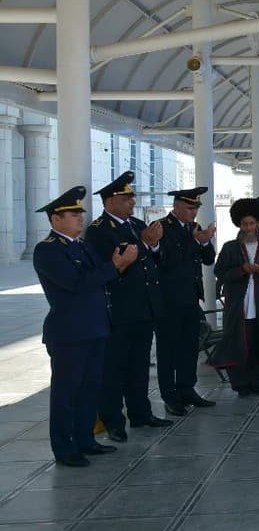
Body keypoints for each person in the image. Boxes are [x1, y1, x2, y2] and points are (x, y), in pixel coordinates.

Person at [33, 186, 138, 466]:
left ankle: (84, 439)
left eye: (81, 214)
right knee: (67, 392)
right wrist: (115, 266)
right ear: (56, 220)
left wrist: (117, 267)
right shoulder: (48, 250)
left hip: (95, 327)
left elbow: (100, 279)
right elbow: (77, 283)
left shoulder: (82, 246)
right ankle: (64, 448)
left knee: (90, 387)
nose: (81, 219)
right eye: (73, 214)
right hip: (69, 333)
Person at [86, 172, 173, 443]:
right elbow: (112, 264)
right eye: (126, 199)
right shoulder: (99, 231)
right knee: (114, 368)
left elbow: (153, 259)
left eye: (132, 197)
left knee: (138, 365)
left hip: (144, 308)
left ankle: (141, 412)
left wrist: (154, 244)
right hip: (120, 310)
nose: (132, 202)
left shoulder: (136, 224)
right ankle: (113, 420)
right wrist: (145, 243)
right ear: (110, 201)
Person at [211, 198, 259, 396]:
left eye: (252, 223)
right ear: (239, 225)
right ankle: (240, 383)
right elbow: (220, 272)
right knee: (237, 343)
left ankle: (256, 381)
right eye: (245, 224)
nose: (249, 227)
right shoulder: (230, 248)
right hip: (237, 306)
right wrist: (241, 270)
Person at [156, 187, 217, 416]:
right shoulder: (162, 227)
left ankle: (187, 389)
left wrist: (204, 242)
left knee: (189, 347)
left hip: (191, 298)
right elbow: (166, 260)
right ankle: (169, 396)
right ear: (177, 206)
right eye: (190, 207)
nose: (194, 212)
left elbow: (209, 259)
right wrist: (195, 242)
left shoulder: (195, 228)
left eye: (196, 208)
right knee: (168, 350)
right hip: (169, 300)